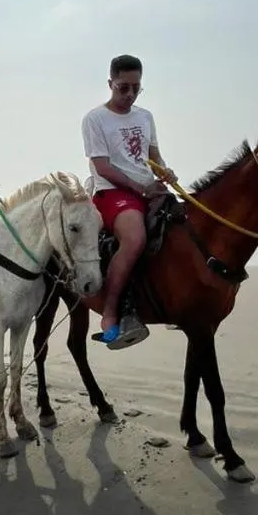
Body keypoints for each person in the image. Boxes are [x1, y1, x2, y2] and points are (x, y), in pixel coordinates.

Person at [81, 54, 176, 349]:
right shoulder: (95, 119)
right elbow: (102, 166)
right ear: (110, 83)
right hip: (112, 191)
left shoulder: (145, 116)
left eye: (136, 88)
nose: (130, 95)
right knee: (134, 239)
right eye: (123, 88)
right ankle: (110, 313)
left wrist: (165, 172)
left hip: (147, 186)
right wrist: (140, 187)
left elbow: (153, 156)